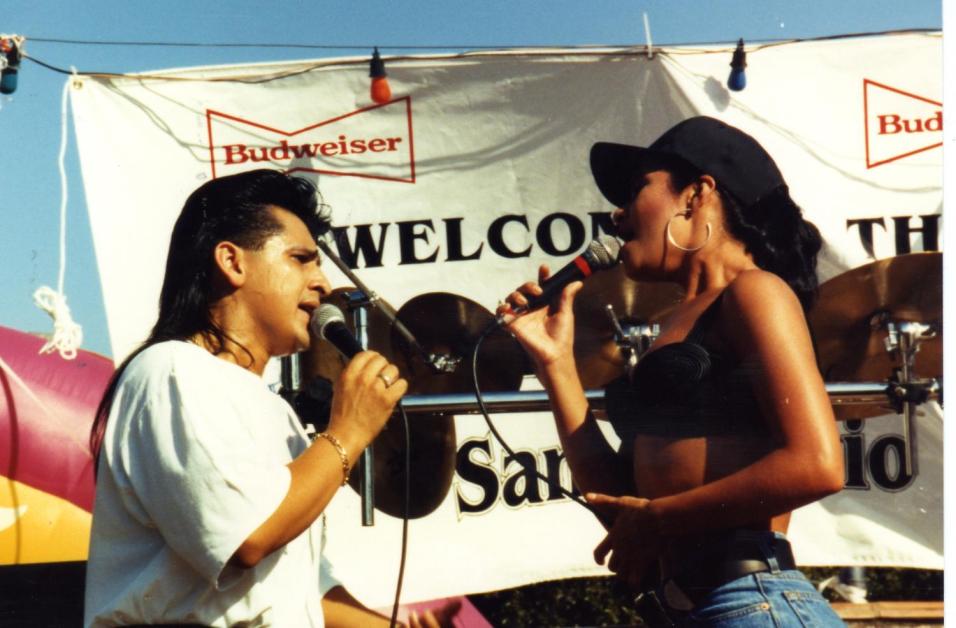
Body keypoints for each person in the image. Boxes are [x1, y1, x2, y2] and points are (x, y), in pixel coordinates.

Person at [499, 117, 846, 626]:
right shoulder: (679, 322)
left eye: (638, 189)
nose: (616, 216)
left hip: (751, 600)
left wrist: (659, 519)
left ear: (696, 194)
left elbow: (817, 463)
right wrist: (555, 363)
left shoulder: (755, 292)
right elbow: (620, 504)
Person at [85, 169, 458, 627]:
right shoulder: (172, 372)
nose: (322, 283)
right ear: (232, 262)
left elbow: (300, 589)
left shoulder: (272, 408)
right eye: (302, 259)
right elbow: (250, 535)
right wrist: (350, 430)